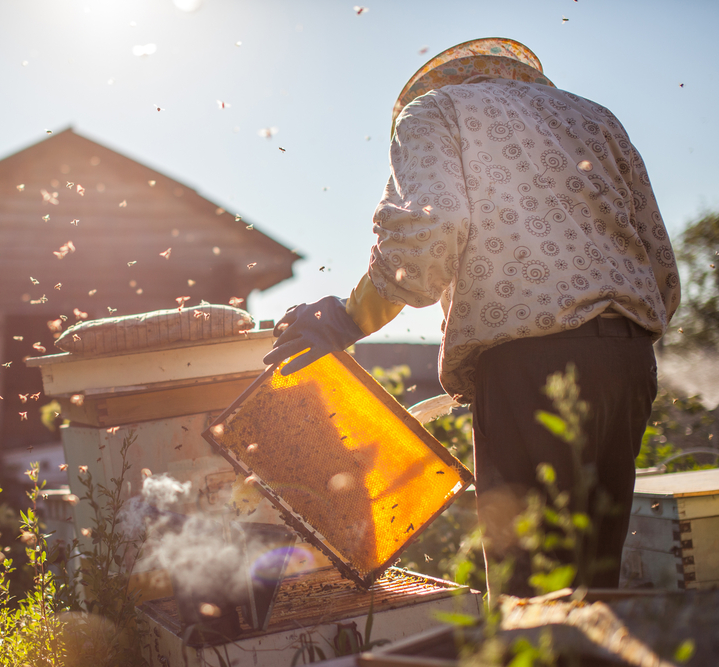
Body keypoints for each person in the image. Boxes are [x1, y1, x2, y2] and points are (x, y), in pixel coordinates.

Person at [264, 38, 680, 599]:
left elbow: (432, 229)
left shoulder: (436, 111)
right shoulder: (595, 118)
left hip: (530, 367)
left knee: (527, 593)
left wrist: (347, 316)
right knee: (594, 585)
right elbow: (658, 263)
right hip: (627, 362)